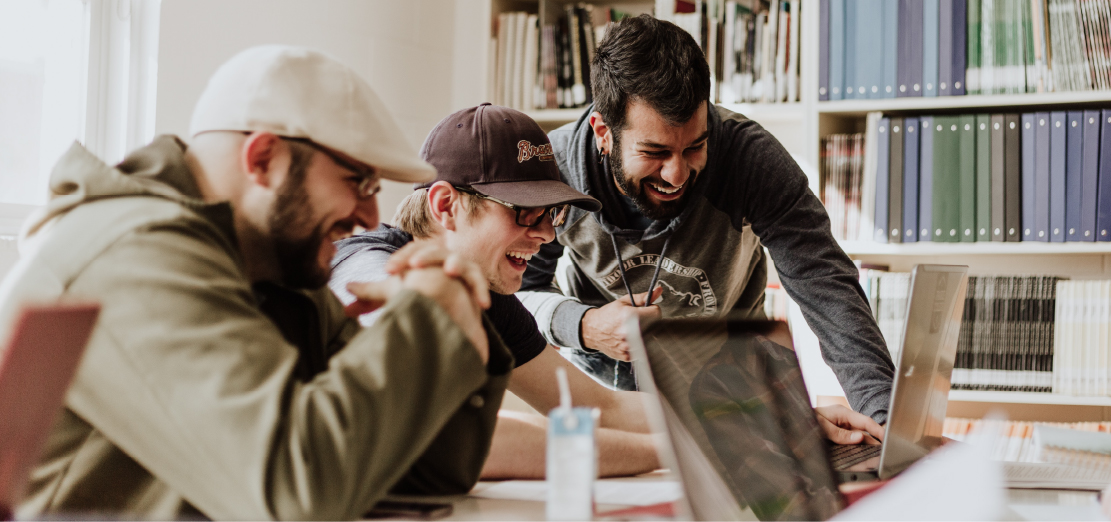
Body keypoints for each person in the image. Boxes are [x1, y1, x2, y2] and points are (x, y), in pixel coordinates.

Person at [0, 46, 508, 520]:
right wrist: (428, 319)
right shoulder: (133, 254)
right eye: (358, 181)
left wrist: (458, 318)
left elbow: (421, 474)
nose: (371, 215)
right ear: (263, 158)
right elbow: (294, 494)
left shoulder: (272, 268)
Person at [515, 14, 894, 438]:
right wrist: (583, 326)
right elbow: (518, 293)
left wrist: (885, 423)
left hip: (733, 384)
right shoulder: (554, 169)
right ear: (603, 131)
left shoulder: (750, 158)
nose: (677, 174)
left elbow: (825, 283)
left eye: (695, 146)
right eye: (654, 152)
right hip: (608, 395)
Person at [329, 103, 663, 479]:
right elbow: (453, 437)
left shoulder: (488, 298)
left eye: (551, 213)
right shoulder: (366, 268)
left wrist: (719, 422)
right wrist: (671, 452)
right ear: (445, 206)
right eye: (524, 211)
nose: (548, 235)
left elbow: (597, 407)